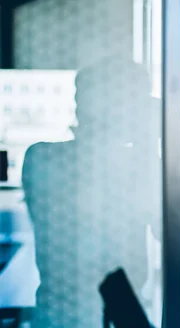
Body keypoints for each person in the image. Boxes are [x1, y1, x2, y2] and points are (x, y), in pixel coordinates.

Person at [22, 60, 161, 328]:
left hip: (71, 313)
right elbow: (172, 232)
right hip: (93, 313)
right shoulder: (47, 158)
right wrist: (146, 141)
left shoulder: (41, 157)